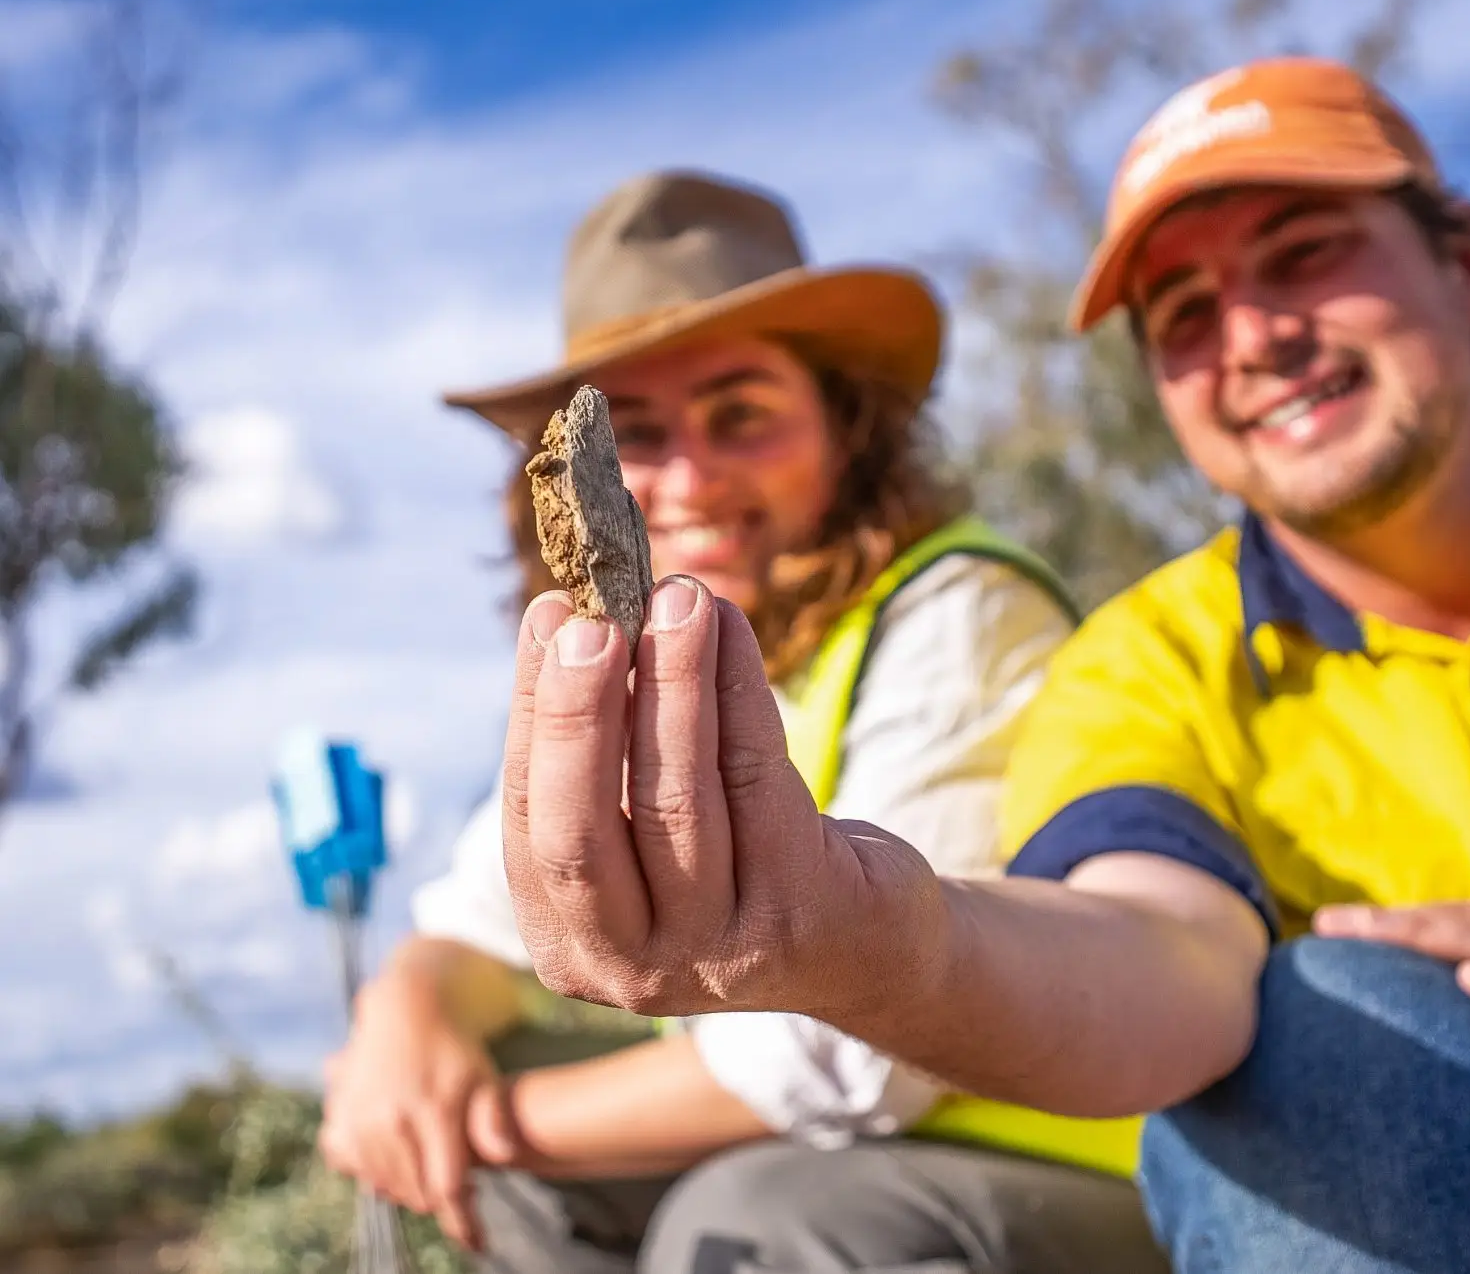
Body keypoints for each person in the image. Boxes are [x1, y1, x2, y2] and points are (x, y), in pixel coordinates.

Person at [497, 60, 1470, 1272]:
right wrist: (869, 934)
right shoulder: (1146, 667)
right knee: (1305, 1034)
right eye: (1182, 316)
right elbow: (1150, 949)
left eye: (1305, 254)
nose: (1250, 337)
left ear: (1468, 263)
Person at [318, 170, 1165, 1274]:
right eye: (638, 434)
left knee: (764, 1217)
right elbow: (481, 918)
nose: (688, 478)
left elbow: (848, 1067)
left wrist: (478, 1119)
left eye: (741, 414)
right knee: (530, 1180)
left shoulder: (961, 614)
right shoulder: (655, 654)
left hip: (1063, 1175)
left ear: (848, 429)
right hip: (838, 1160)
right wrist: (409, 1014)